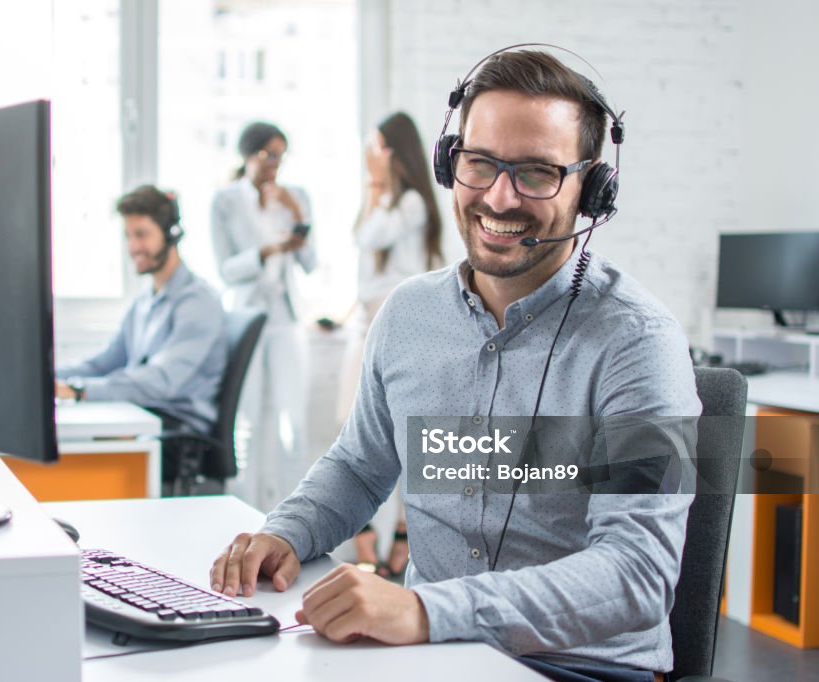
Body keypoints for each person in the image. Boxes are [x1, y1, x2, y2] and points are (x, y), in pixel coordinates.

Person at [209, 49, 699, 682]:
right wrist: (288, 532)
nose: (500, 196)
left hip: (579, 669)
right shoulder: (408, 314)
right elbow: (360, 466)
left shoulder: (639, 342)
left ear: (591, 189)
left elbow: (638, 573)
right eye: (481, 163)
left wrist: (424, 611)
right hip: (431, 659)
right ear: (450, 163)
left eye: (537, 173)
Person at [56, 185, 227, 484]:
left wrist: (80, 390)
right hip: (144, 419)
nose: (133, 246)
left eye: (142, 234)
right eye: (128, 235)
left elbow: (162, 381)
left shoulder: (197, 302)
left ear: (171, 233)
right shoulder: (145, 299)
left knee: (73, 456)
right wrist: (48, 377)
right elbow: (105, 362)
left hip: (177, 436)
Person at [336, 112, 443, 577]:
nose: (371, 157)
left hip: (396, 328)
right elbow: (361, 246)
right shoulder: (384, 200)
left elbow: (370, 235)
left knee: (402, 436)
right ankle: (367, 540)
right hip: (364, 323)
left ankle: (398, 537)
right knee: (351, 430)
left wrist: (375, 189)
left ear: (396, 152)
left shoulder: (414, 203)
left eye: (377, 147)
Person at [210, 121, 317, 512]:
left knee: (294, 425)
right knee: (248, 423)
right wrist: (267, 251)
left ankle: (298, 518)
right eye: (268, 155)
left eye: (280, 156)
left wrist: (295, 213)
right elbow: (226, 269)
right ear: (247, 155)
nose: (275, 164)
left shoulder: (296, 196)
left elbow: (310, 261)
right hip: (247, 318)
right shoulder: (225, 201)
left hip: (286, 318)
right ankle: (243, 515)